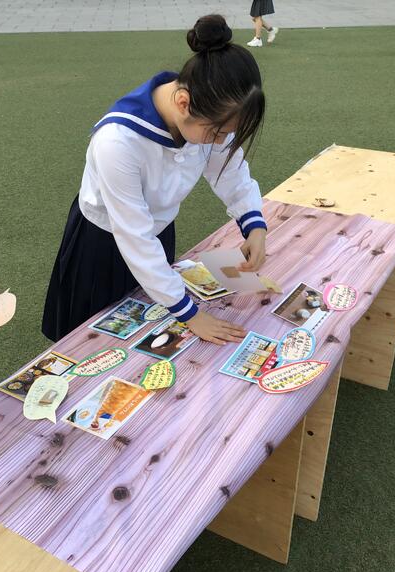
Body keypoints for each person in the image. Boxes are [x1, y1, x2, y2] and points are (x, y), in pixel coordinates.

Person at [42, 15, 268, 346]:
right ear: (183, 103)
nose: (221, 142)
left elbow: (230, 171)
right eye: (217, 133)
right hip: (103, 245)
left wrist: (255, 225)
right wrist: (191, 315)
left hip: (157, 234)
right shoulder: (117, 141)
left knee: (151, 330)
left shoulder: (207, 105)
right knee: (94, 343)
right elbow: (134, 236)